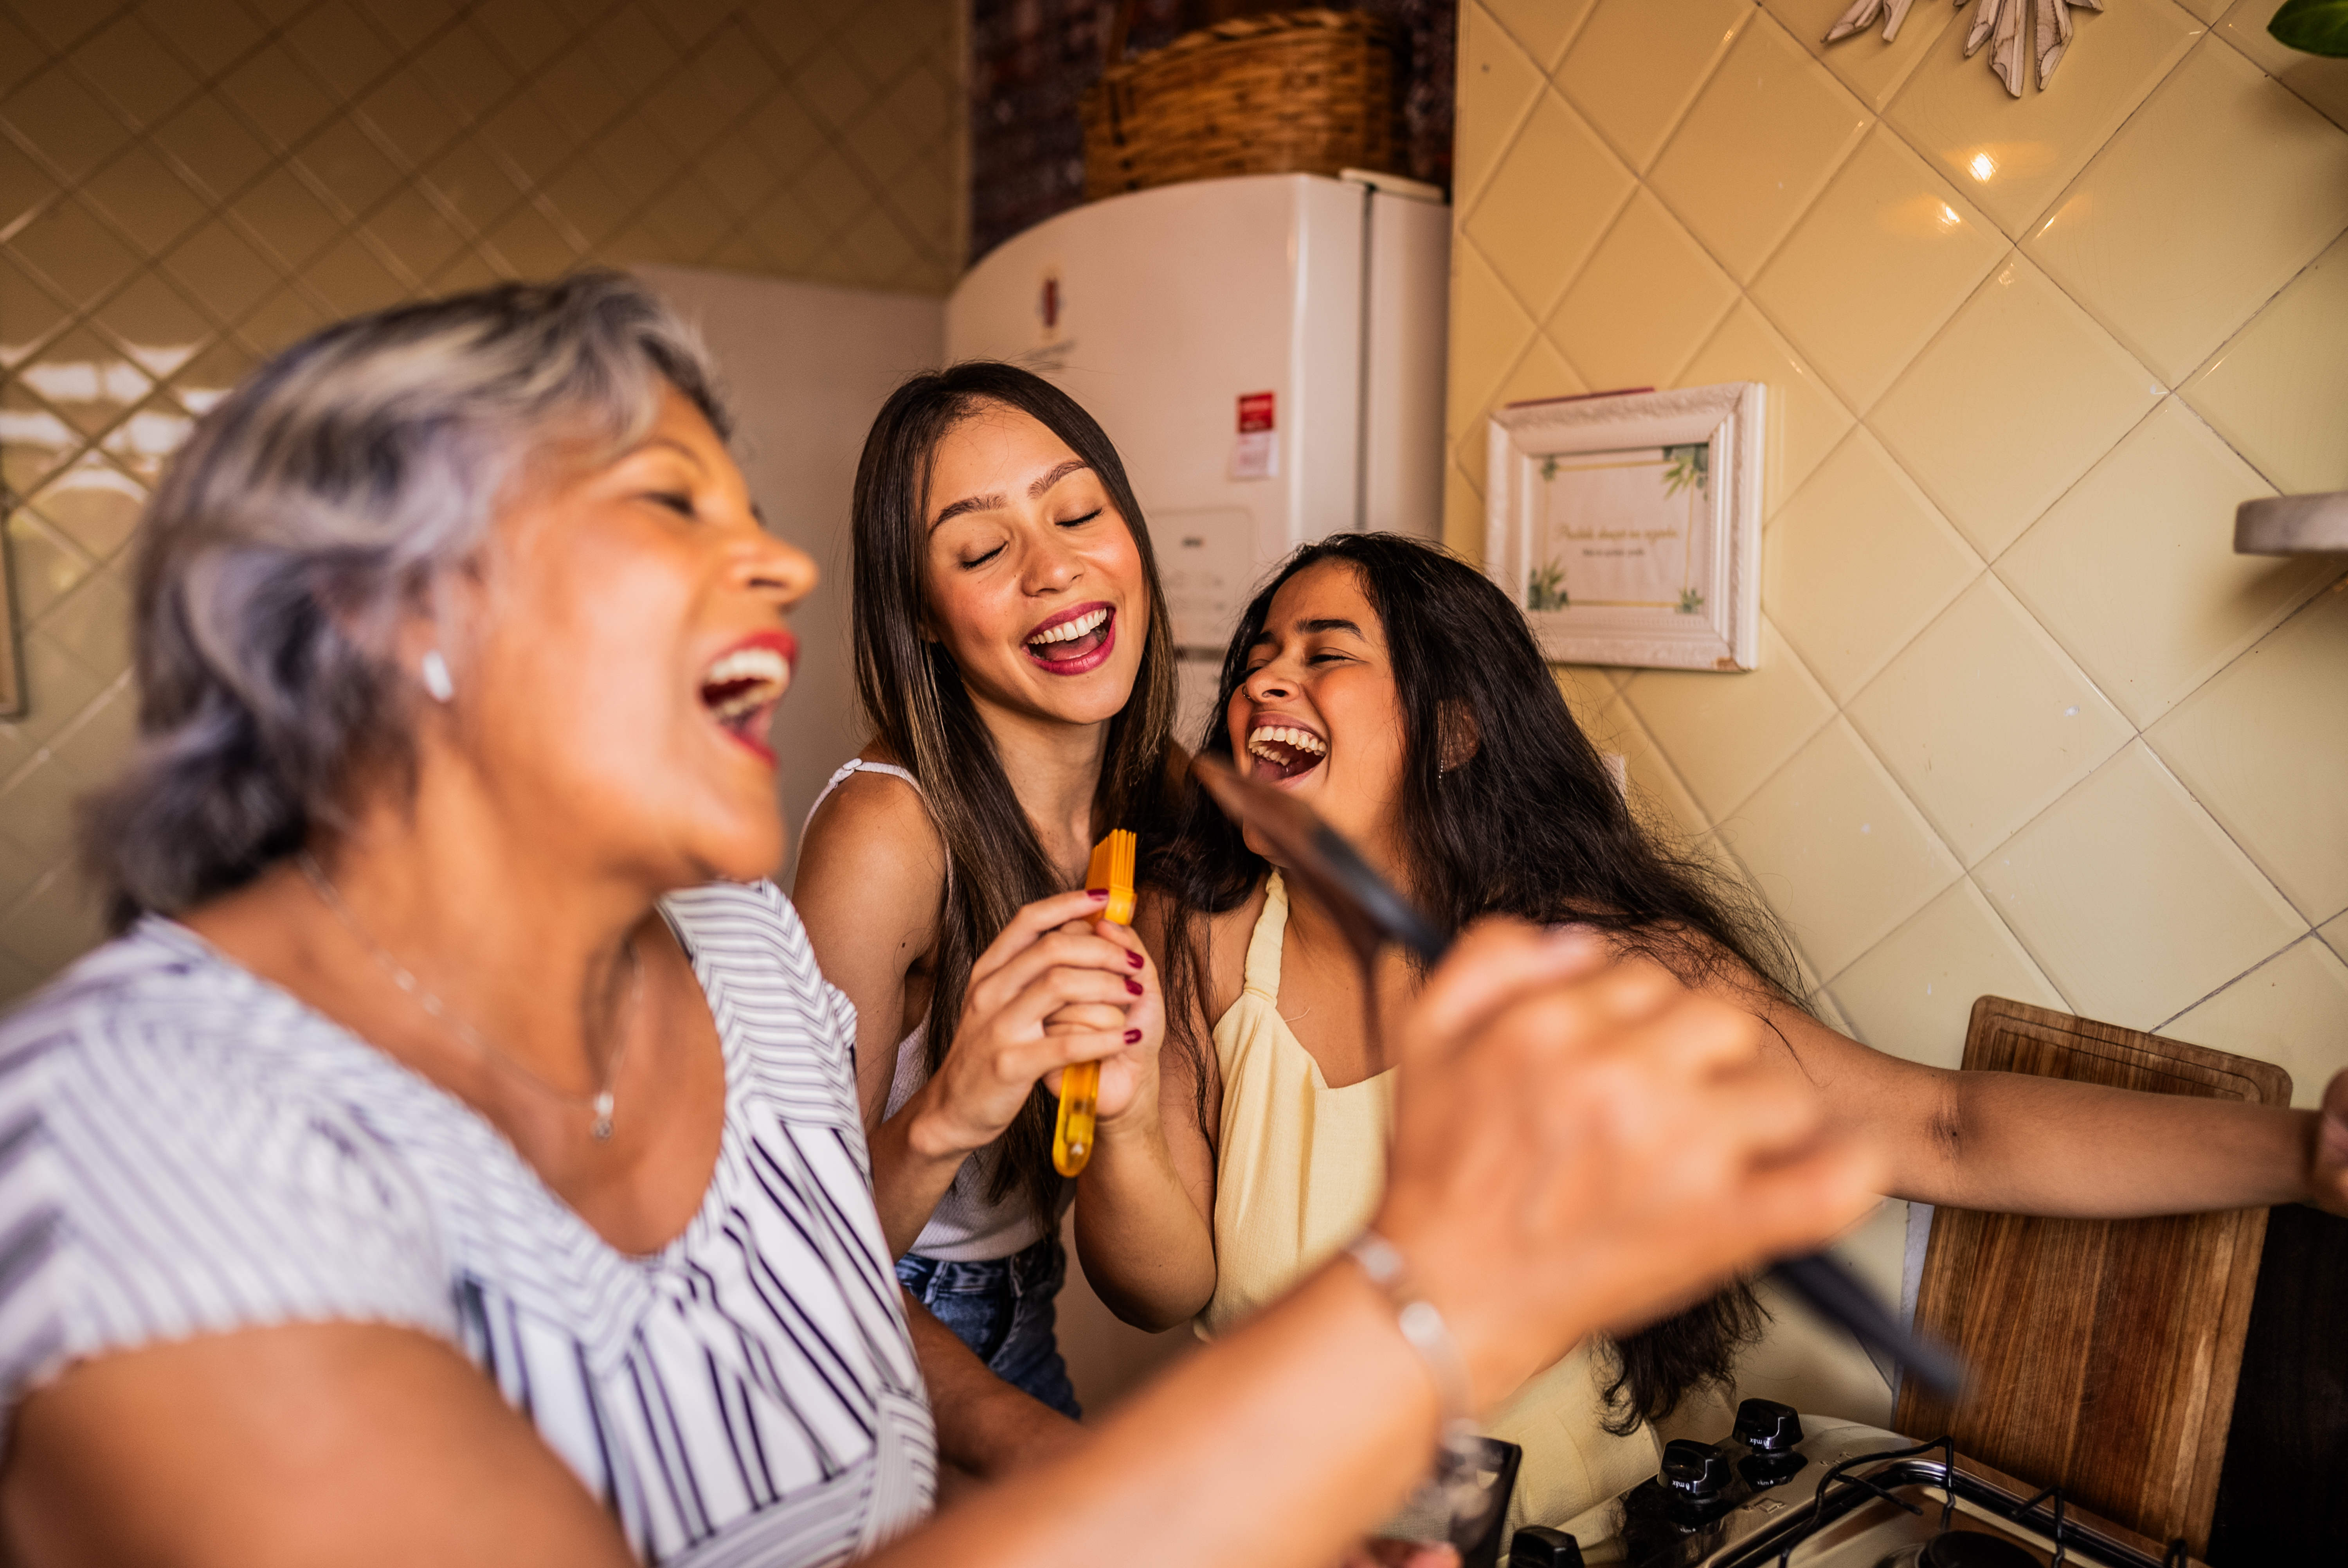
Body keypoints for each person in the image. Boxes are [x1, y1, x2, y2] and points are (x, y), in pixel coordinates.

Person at [0, 275, 1888, 1568]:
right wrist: (1430, 1295)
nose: (783, 567)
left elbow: (896, 1373)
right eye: (669, 507)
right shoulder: (144, 1121)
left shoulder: (733, 963)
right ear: (389, 627)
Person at [1076, 531, 2348, 1534]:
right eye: (1255, 655)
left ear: (1456, 728)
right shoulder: (1204, 939)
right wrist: (1126, 1116)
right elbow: (1162, 1291)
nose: (1259, 680)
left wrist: (2303, 1153)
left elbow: (1946, 1130)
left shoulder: (1595, 969)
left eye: (1322, 650)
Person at [791, 364, 1184, 1416]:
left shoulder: (1156, 795)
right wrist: (949, 1112)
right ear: (920, 612)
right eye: (981, 549)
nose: (1053, 568)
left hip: (1027, 1305)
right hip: (880, 1323)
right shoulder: (887, 834)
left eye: (1076, 512)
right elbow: (789, 1269)